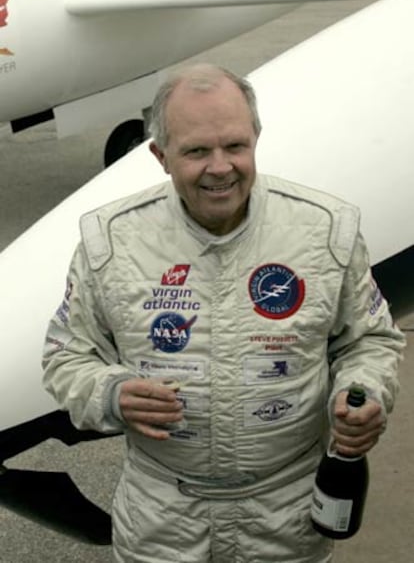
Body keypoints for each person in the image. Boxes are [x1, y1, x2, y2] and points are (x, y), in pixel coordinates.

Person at [42, 64, 405, 562]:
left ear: (256, 139)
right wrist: (111, 394)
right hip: (161, 520)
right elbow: (66, 355)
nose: (220, 167)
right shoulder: (112, 242)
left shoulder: (325, 232)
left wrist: (361, 393)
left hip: (287, 517)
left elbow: (369, 340)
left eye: (235, 146)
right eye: (196, 151)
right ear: (160, 156)